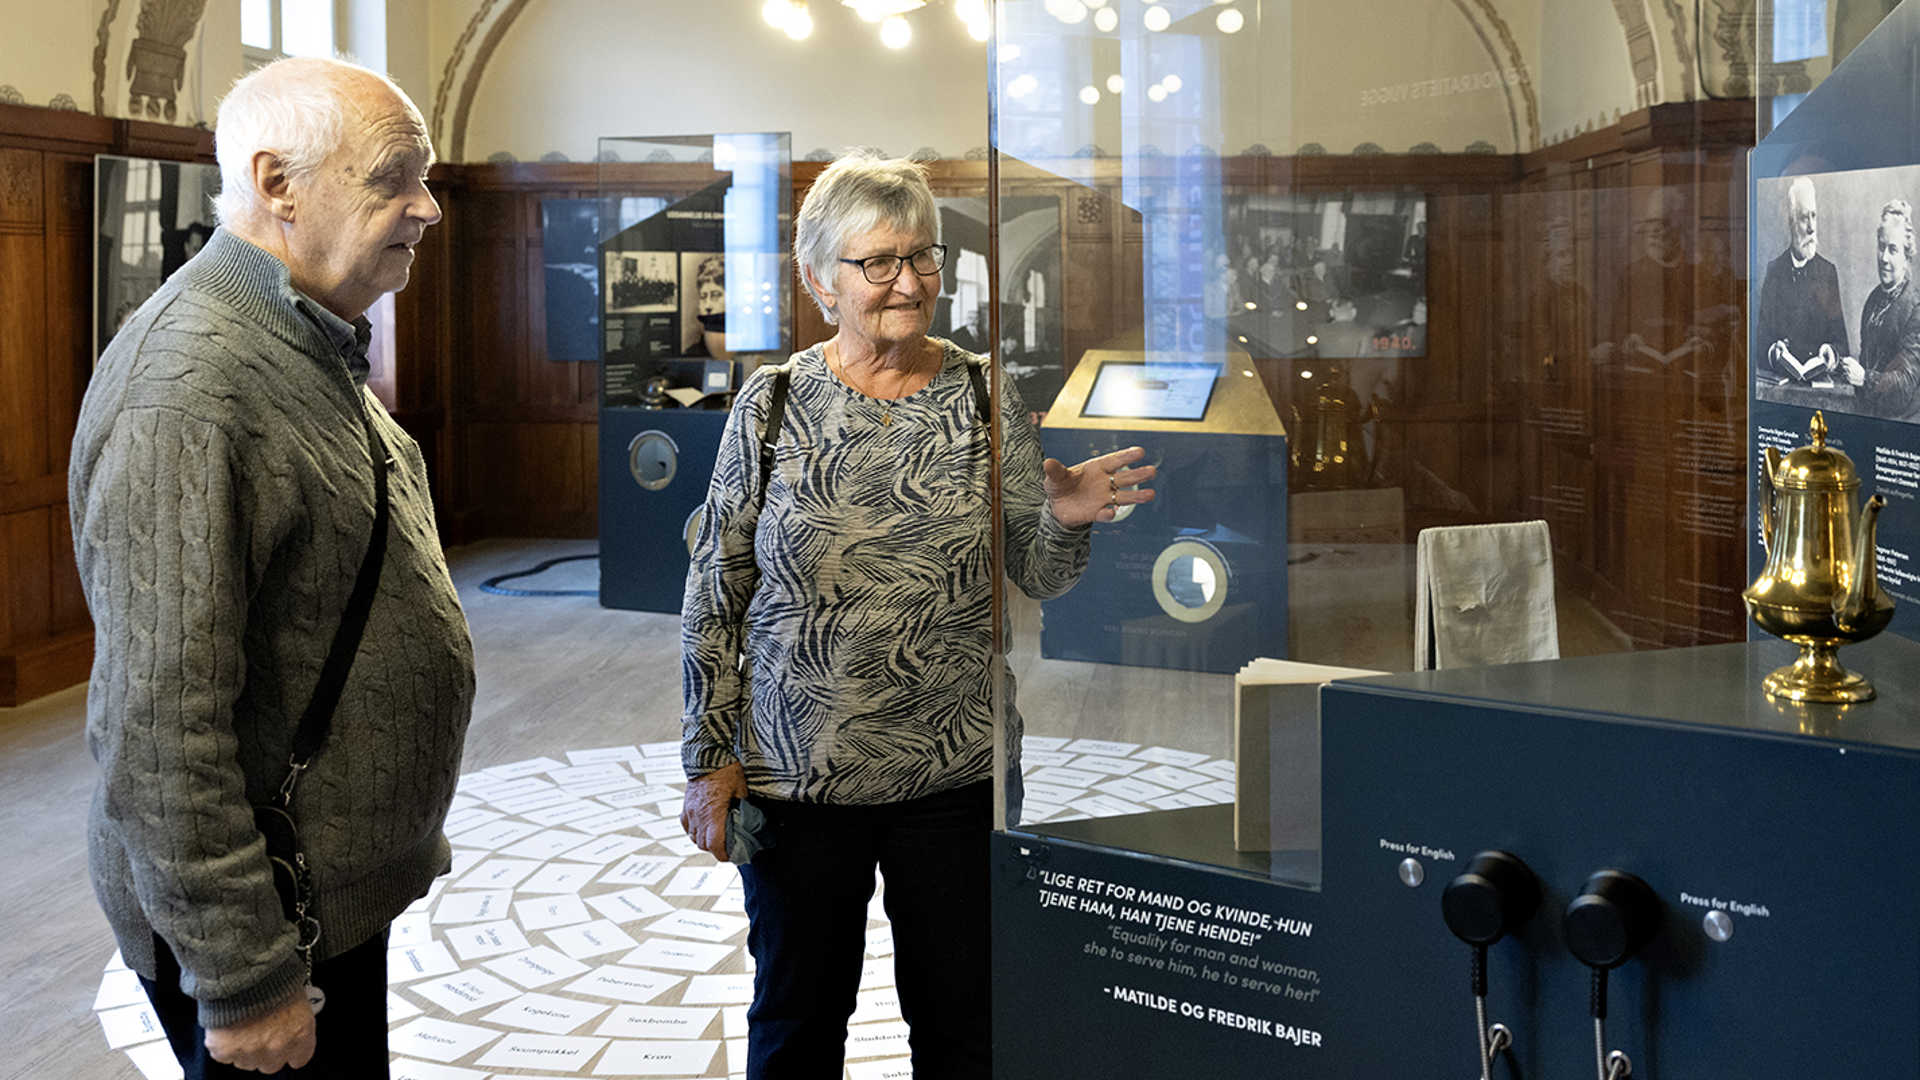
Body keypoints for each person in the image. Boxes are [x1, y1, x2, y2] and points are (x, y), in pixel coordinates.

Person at [678, 151, 1155, 1079]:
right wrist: (709, 759)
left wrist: (1062, 521)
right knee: (796, 1022)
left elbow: (1039, 573)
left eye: (924, 257)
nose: (909, 281)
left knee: (966, 1027)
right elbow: (717, 592)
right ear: (822, 279)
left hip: (956, 773)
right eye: (879, 262)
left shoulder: (982, 395)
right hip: (796, 779)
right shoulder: (772, 406)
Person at [68, 56, 472, 1077]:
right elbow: (158, 728)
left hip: (318, 902)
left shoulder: (295, 339)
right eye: (393, 178)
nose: (426, 207)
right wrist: (245, 978)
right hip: (266, 922)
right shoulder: (192, 385)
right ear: (278, 182)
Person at [1756, 176, 1851, 385]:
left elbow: (1842, 344)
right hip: (1782, 391)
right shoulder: (1774, 272)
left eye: (1814, 216)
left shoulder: (1827, 273)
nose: (1811, 228)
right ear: (1791, 222)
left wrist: (1832, 353)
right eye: (1803, 218)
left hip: (1818, 390)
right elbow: (1759, 342)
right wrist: (1773, 351)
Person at [1840, 199, 1920, 419]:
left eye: (1893, 249)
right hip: (1868, 416)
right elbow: (1866, 363)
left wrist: (1865, 378)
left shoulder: (1916, 308)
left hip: (1903, 426)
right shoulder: (1873, 299)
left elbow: (1905, 384)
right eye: (1881, 246)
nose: (1884, 258)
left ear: (1907, 255)